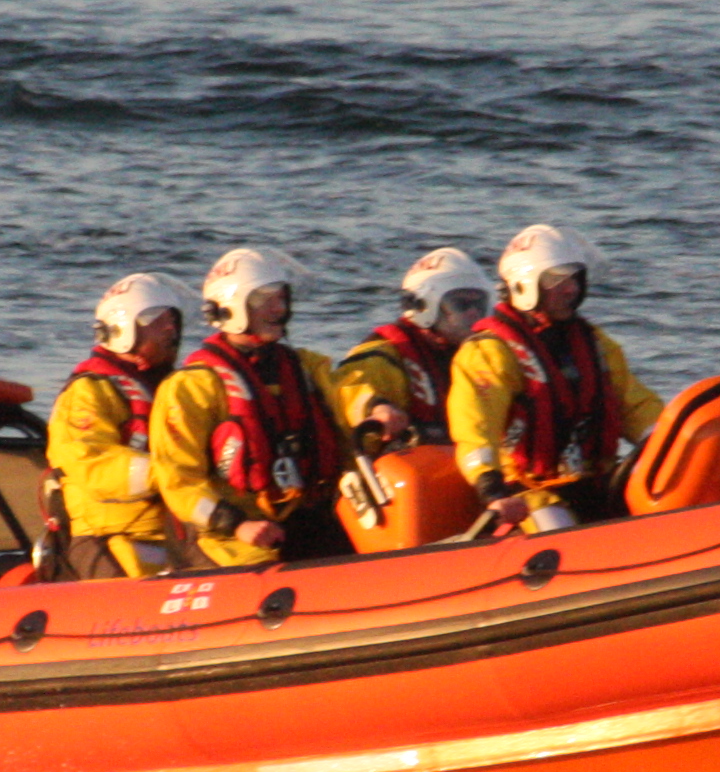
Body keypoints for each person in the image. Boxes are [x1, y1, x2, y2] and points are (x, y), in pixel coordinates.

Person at [152, 247, 395, 570]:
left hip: (302, 515)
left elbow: (345, 392)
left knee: (361, 560)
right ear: (232, 307)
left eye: (281, 298)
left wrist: (375, 407)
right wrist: (237, 524)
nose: (279, 309)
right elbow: (179, 481)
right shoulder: (191, 388)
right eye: (265, 300)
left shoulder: (303, 367)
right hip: (227, 532)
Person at [449, 223, 666, 534]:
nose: (571, 289)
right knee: (558, 531)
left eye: (575, 278)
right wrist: (491, 490)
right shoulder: (489, 353)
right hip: (531, 494)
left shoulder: (595, 344)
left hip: (597, 481)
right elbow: (475, 431)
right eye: (557, 280)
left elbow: (635, 405)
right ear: (524, 285)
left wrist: (672, 440)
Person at [46, 271, 199, 579]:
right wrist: (170, 472)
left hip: (176, 528)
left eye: (173, 319)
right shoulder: (89, 393)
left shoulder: (178, 388)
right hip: (108, 534)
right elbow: (92, 464)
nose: (170, 328)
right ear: (123, 329)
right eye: (156, 320)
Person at [332, 247, 488, 447]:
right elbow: (349, 390)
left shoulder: (481, 357)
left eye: (479, 305)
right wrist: (378, 409)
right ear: (424, 307)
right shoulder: (382, 357)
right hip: (403, 468)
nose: (473, 314)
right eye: (461, 305)